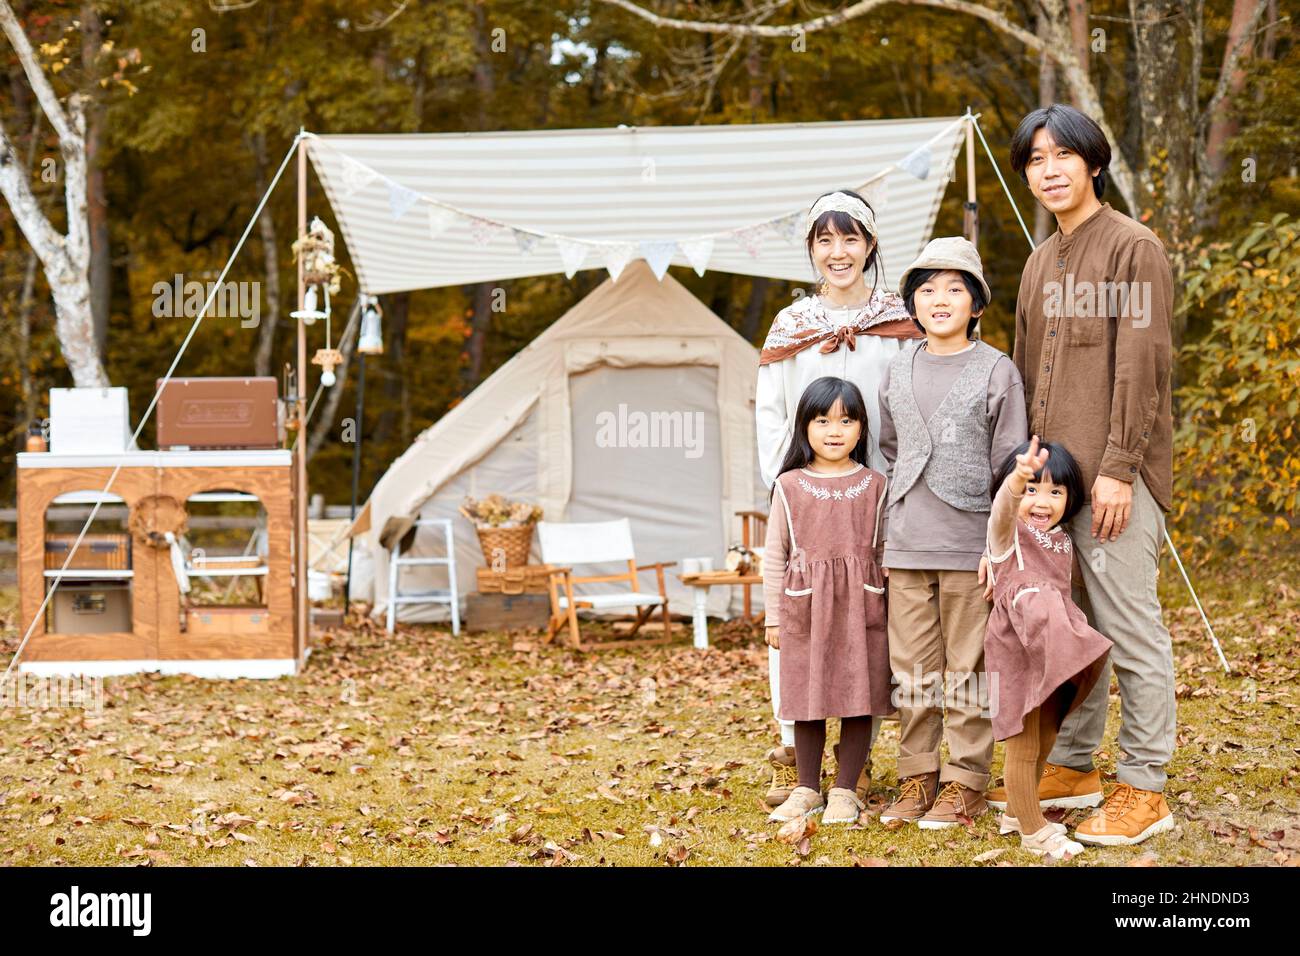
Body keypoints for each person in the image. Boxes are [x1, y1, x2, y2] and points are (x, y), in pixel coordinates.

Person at [992, 103, 1177, 846]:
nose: (1049, 169)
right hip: (1053, 485)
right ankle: (1074, 764)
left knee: (1129, 629)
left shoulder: (1133, 248)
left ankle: (1145, 785)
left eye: (1062, 155)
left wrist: (1120, 467)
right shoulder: (1040, 260)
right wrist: (1031, 474)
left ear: (1093, 163)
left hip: (1112, 480)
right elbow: (1031, 375)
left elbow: (1143, 363)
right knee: (1072, 632)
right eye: (1035, 159)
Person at [755, 189, 922, 808]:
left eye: (850, 238)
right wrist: (784, 482)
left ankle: (859, 765)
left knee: (866, 630)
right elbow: (772, 412)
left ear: (870, 245)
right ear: (811, 250)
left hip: (876, 494)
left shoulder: (898, 319)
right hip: (806, 497)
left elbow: (908, 402)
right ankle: (795, 765)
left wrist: (901, 482)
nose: (838, 252)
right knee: (799, 626)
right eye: (825, 240)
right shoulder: (792, 324)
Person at [876, 237, 1028, 828]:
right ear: (913, 302)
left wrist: (1000, 546)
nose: (940, 299)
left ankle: (964, 780)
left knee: (966, 667)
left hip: (969, 544)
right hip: (908, 540)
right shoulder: (898, 366)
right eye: (928, 289)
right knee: (912, 667)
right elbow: (892, 447)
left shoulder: (997, 371)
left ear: (977, 304)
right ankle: (917, 775)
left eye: (955, 288)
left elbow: (1011, 467)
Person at [762, 376, 894, 825]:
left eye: (846, 419)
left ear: (861, 429)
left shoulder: (876, 485)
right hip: (806, 606)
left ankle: (845, 788)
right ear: (804, 427)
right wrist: (774, 619)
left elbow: (884, 552)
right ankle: (806, 787)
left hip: (861, 605)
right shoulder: (789, 486)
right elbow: (774, 557)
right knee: (808, 694)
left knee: (860, 694)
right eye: (822, 420)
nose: (834, 430)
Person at [984, 436, 1113, 860]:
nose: (1041, 501)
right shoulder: (1009, 535)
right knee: (1023, 740)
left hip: (1055, 646)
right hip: (1018, 647)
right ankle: (1033, 829)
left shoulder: (1063, 539)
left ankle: (1020, 812)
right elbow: (1003, 511)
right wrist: (1015, 481)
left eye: (1055, 492)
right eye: (1032, 490)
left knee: (1046, 736)